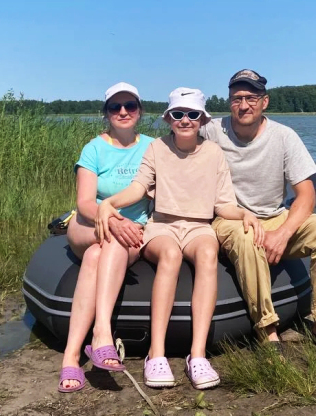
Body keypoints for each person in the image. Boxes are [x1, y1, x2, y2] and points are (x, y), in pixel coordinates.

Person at [97, 87, 264, 390]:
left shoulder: (213, 153)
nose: (185, 120)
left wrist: (244, 214)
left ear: (202, 119)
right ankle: (156, 353)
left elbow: (223, 204)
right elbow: (138, 187)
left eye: (192, 114)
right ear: (168, 118)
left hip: (199, 226)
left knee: (208, 253)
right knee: (171, 255)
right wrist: (110, 203)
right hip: (162, 225)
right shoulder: (157, 148)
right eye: (178, 114)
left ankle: (197, 355)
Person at [201, 69, 316, 352]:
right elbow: (178, 136)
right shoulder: (211, 131)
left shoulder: (284, 136)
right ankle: (267, 330)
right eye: (237, 98)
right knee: (248, 236)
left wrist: (283, 233)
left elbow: (306, 194)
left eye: (251, 98)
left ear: (264, 102)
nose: (244, 105)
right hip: (230, 217)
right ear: (229, 102)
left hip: (275, 216)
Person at [58, 82, 155, 393]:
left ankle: (71, 356)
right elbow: (86, 202)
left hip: (133, 228)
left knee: (95, 255)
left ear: (140, 111)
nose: (123, 112)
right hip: (91, 223)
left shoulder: (153, 147)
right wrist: (113, 220)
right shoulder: (94, 149)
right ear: (106, 113)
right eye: (115, 107)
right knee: (106, 240)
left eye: (130, 106)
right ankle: (101, 335)